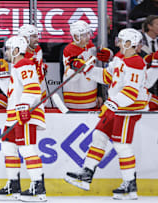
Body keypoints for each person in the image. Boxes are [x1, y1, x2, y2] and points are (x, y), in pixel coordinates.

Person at [65, 28, 149, 200]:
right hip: (117, 107)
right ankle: (87, 173)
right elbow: (108, 77)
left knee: (121, 145)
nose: (117, 43)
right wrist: (86, 70)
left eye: (120, 40)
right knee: (99, 136)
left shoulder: (135, 62)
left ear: (128, 43)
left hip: (127, 110)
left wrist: (110, 104)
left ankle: (129, 185)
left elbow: (131, 92)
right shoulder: (121, 59)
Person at [0, 36, 46, 202]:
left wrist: (24, 106)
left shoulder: (24, 64)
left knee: (27, 149)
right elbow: (12, 93)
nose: (6, 52)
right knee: (8, 148)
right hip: (13, 116)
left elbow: (33, 88)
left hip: (24, 115)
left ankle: (38, 187)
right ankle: (13, 184)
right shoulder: (16, 66)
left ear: (16, 50)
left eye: (8, 49)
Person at [62, 20, 110, 109]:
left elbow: (95, 69)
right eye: (84, 35)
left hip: (92, 98)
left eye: (88, 34)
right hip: (74, 99)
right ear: (76, 36)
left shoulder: (91, 47)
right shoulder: (68, 50)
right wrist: (75, 67)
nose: (88, 37)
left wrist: (108, 55)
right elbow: (71, 74)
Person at [18, 24, 48, 103]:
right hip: (28, 97)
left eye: (37, 36)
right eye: (34, 37)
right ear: (25, 38)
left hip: (42, 93)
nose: (37, 40)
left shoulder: (37, 49)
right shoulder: (19, 55)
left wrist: (41, 68)